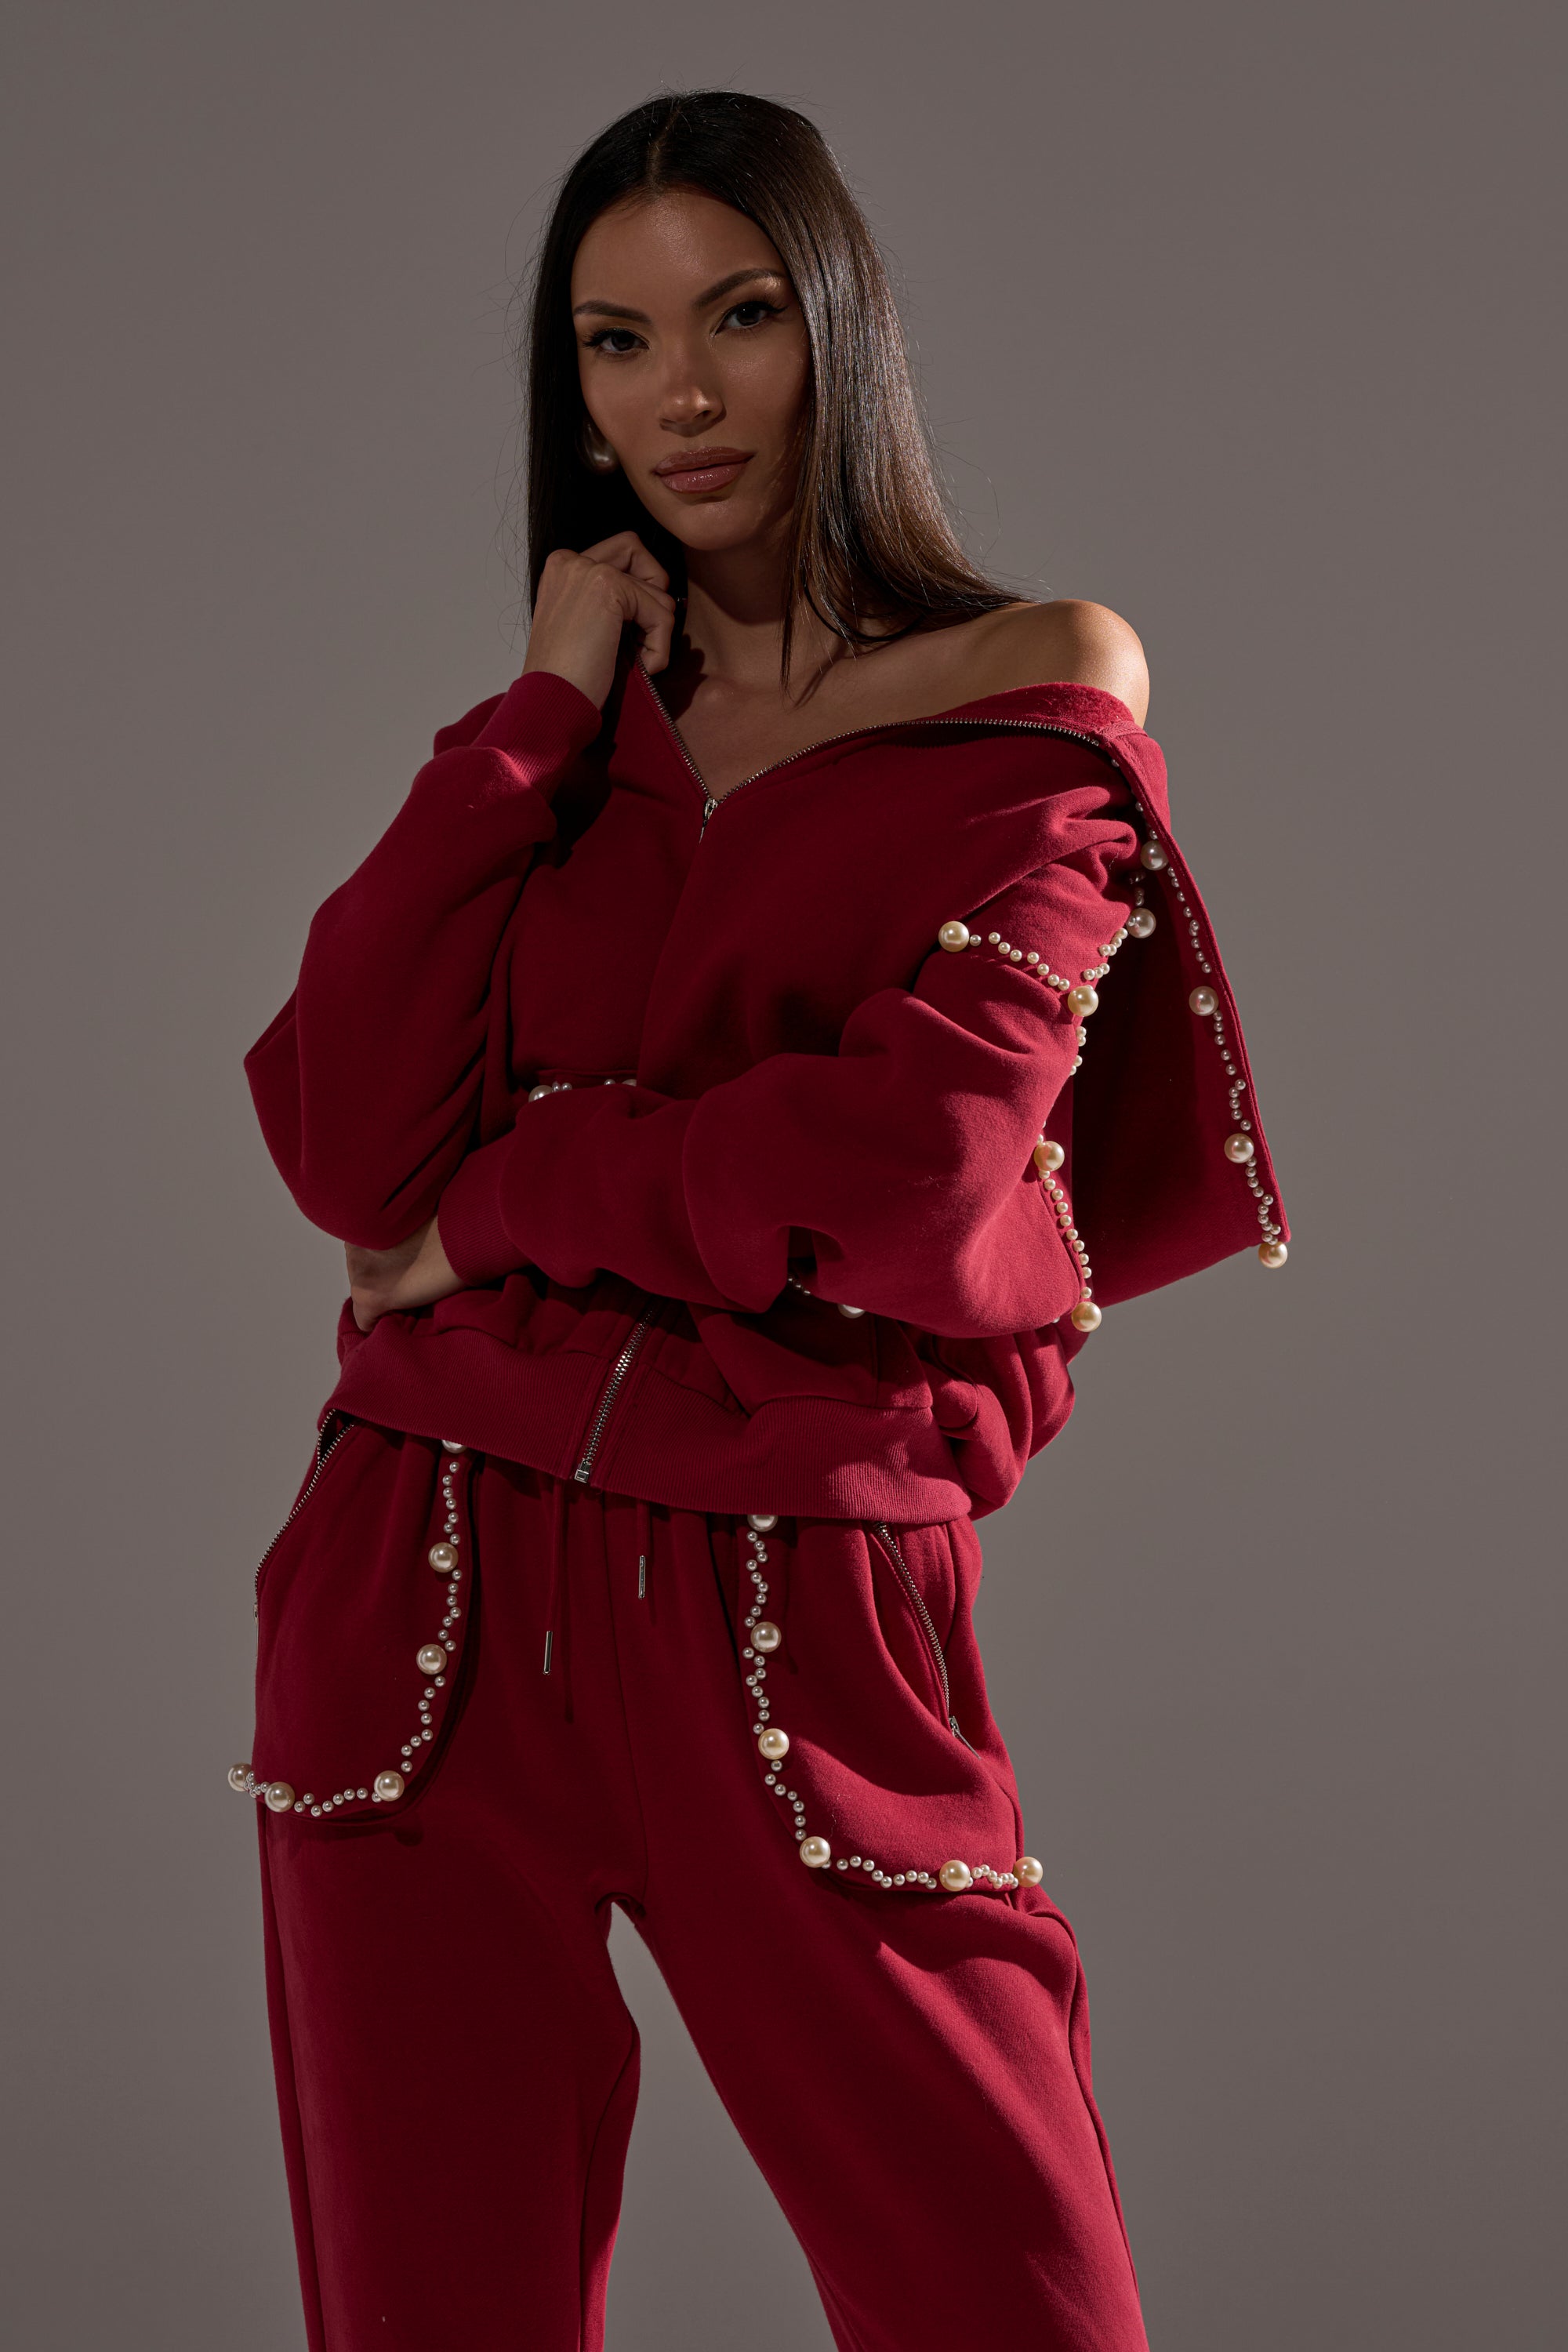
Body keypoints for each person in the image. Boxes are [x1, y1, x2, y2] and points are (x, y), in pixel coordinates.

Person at [233, 88, 1287, 2352]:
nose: (681, 393)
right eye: (614, 343)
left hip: (797, 1599)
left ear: (838, 333)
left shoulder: (1032, 692)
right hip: (424, 1590)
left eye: (736, 317)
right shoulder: (564, 750)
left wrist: (511, 1198)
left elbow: (909, 1178)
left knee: (1014, 2301)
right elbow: (341, 1148)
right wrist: (533, 710)